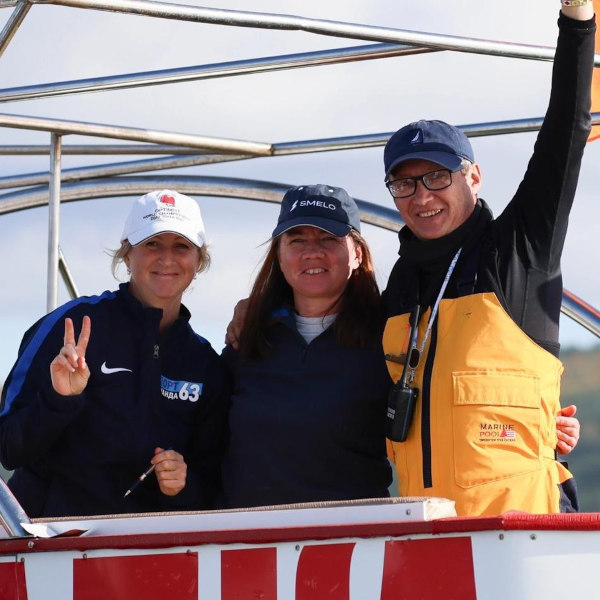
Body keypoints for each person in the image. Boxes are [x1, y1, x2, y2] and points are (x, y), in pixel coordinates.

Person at [382, 2, 595, 515]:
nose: (422, 195)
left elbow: (565, 132)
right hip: (426, 536)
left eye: (437, 176)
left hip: (521, 531)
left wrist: (578, 21)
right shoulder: (398, 284)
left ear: (473, 177)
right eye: (404, 183)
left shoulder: (520, 249)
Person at [0, 189, 229, 517]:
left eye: (181, 246)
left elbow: (213, 486)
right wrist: (59, 400)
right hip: (51, 539)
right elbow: (8, 448)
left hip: (144, 544)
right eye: (152, 243)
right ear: (127, 254)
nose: (167, 259)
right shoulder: (70, 325)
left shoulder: (204, 363)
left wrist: (183, 486)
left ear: (199, 260)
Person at [221, 184, 393, 508]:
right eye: (297, 240)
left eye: (328, 238)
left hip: (354, 534)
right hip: (249, 533)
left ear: (357, 254)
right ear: (279, 255)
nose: (312, 252)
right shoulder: (247, 339)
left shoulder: (388, 339)